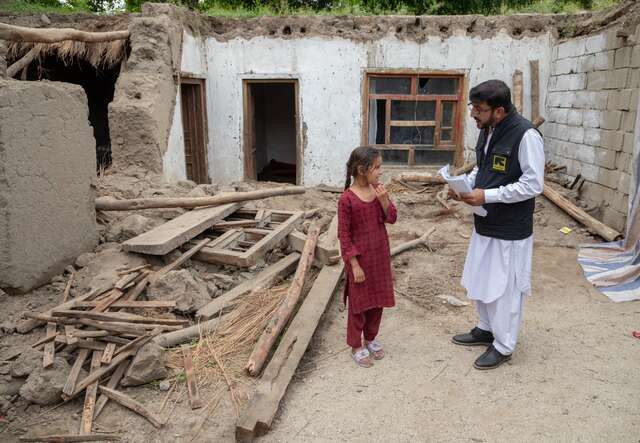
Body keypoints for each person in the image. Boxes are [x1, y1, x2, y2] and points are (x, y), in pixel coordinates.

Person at [450, 79, 545, 370]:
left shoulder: (526, 135)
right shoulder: (488, 130)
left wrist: (487, 195)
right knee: (481, 279)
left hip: (510, 230)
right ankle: (486, 328)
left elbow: (533, 184)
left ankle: (504, 345)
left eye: (478, 109)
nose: (473, 115)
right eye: (473, 108)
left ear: (499, 111)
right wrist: (466, 185)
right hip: (486, 223)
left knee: (505, 289)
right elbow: (484, 167)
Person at [338, 146, 397, 368]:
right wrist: (353, 264)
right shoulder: (346, 199)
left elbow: (391, 218)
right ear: (363, 170)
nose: (380, 172)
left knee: (377, 302)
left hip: (379, 258)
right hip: (360, 262)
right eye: (377, 167)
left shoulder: (379, 191)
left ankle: (370, 338)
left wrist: (384, 200)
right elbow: (343, 235)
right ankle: (356, 345)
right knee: (359, 305)